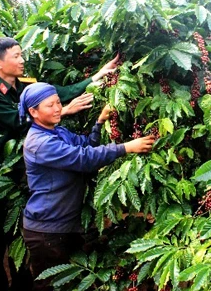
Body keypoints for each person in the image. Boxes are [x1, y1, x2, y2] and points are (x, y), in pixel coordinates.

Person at [0, 36, 118, 291]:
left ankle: (24, 282)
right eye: (16, 56)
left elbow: (60, 91)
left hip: (33, 172)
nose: (22, 60)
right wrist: (64, 111)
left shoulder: (27, 84)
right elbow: (17, 121)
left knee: (24, 239)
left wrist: (96, 77)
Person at [18, 82, 155, 291]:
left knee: (69, 282)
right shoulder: (39, 143)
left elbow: (86, 145)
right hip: (47, 230)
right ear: (33, 112)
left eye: (58, 102)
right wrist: (126, 147)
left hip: (65, 226)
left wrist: (99, 122)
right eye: (50, 105)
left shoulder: (58, 132)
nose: (57, 108)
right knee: (51, 285)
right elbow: (83, 159)